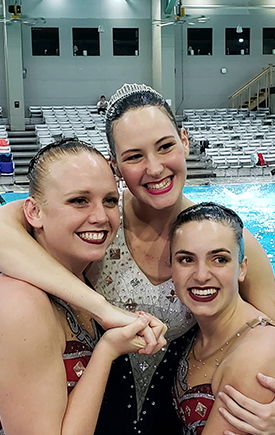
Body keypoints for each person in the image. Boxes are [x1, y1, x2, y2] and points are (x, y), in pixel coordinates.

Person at [0, 83, 275, 434]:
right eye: (134, 156)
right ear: (115, 166)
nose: (155, 168)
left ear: (185, 141)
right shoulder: (96, 228)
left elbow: (268, 334)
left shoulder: (227, 240)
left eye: (165, 147)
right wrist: (103, 308)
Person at [0, 138, 167, 434]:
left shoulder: (85, 275)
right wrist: (106, 351)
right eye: (79, 200)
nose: (101, 217)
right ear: (34, 212)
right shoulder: (20, 303)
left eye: (110, 201)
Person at [170, 202, 275, 434]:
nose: (201, 275)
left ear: (243, 268)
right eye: (186, 259)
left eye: (219, 259)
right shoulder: (197, 332)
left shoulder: (255, 355)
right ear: (171, 268)